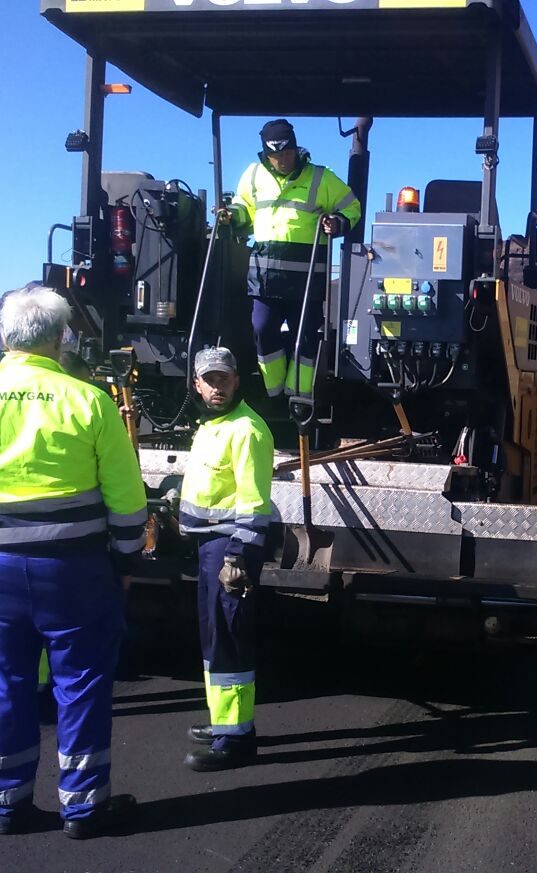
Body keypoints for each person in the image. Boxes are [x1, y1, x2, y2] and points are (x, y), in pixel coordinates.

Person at [0, 287, 147, 839]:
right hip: (76, 571)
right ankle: (84, 808)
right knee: (82, 685)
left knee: (2, 686)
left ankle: (5, 804)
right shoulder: (89, 402)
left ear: (4, 339)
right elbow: (127, 501)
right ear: (60, 338)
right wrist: (125, 562)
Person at [176, 346, 274, 771]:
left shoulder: (246, 430)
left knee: (230, 639)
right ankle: (224, 723)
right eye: (209, 380)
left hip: (229, 548)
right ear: (197, 384)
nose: (217, 387)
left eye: (224, 379)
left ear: (237, 381)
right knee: (214, 637)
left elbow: (254, 503)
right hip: (209, 546)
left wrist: (238, 557)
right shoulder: (212, 426)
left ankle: (235, 739)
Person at [220, 118, 363, 400]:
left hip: (306, 279)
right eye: (276, 156)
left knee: (306, 335)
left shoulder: (321, 178)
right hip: (265, 277)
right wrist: (231, 215)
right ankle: (274, 392)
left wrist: (337, 222)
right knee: (262, 327)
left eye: (287, 153)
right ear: (266, 155)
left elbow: (352, 207)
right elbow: (244, 208)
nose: (282, 161)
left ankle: (299, 395)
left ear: (296, 150)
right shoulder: (252, 176)